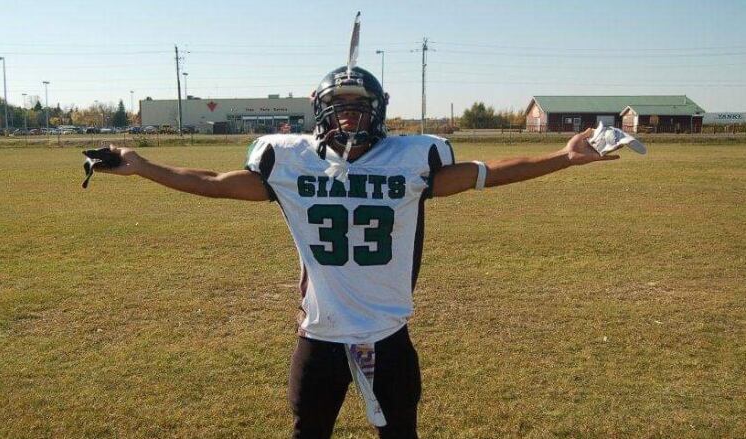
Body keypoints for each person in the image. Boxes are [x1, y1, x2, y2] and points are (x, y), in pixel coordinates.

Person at [99, 66, 618, 438]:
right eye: (340, 110)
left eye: (360, 109)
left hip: (387, 335)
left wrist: (562, 157)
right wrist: (142, 165)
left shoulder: (413, 159)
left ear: (379, 113)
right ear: (321, 114)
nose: (350, 120)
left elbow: (490, 173)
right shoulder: (290, 161)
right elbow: (212, 182)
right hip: (320, 335)